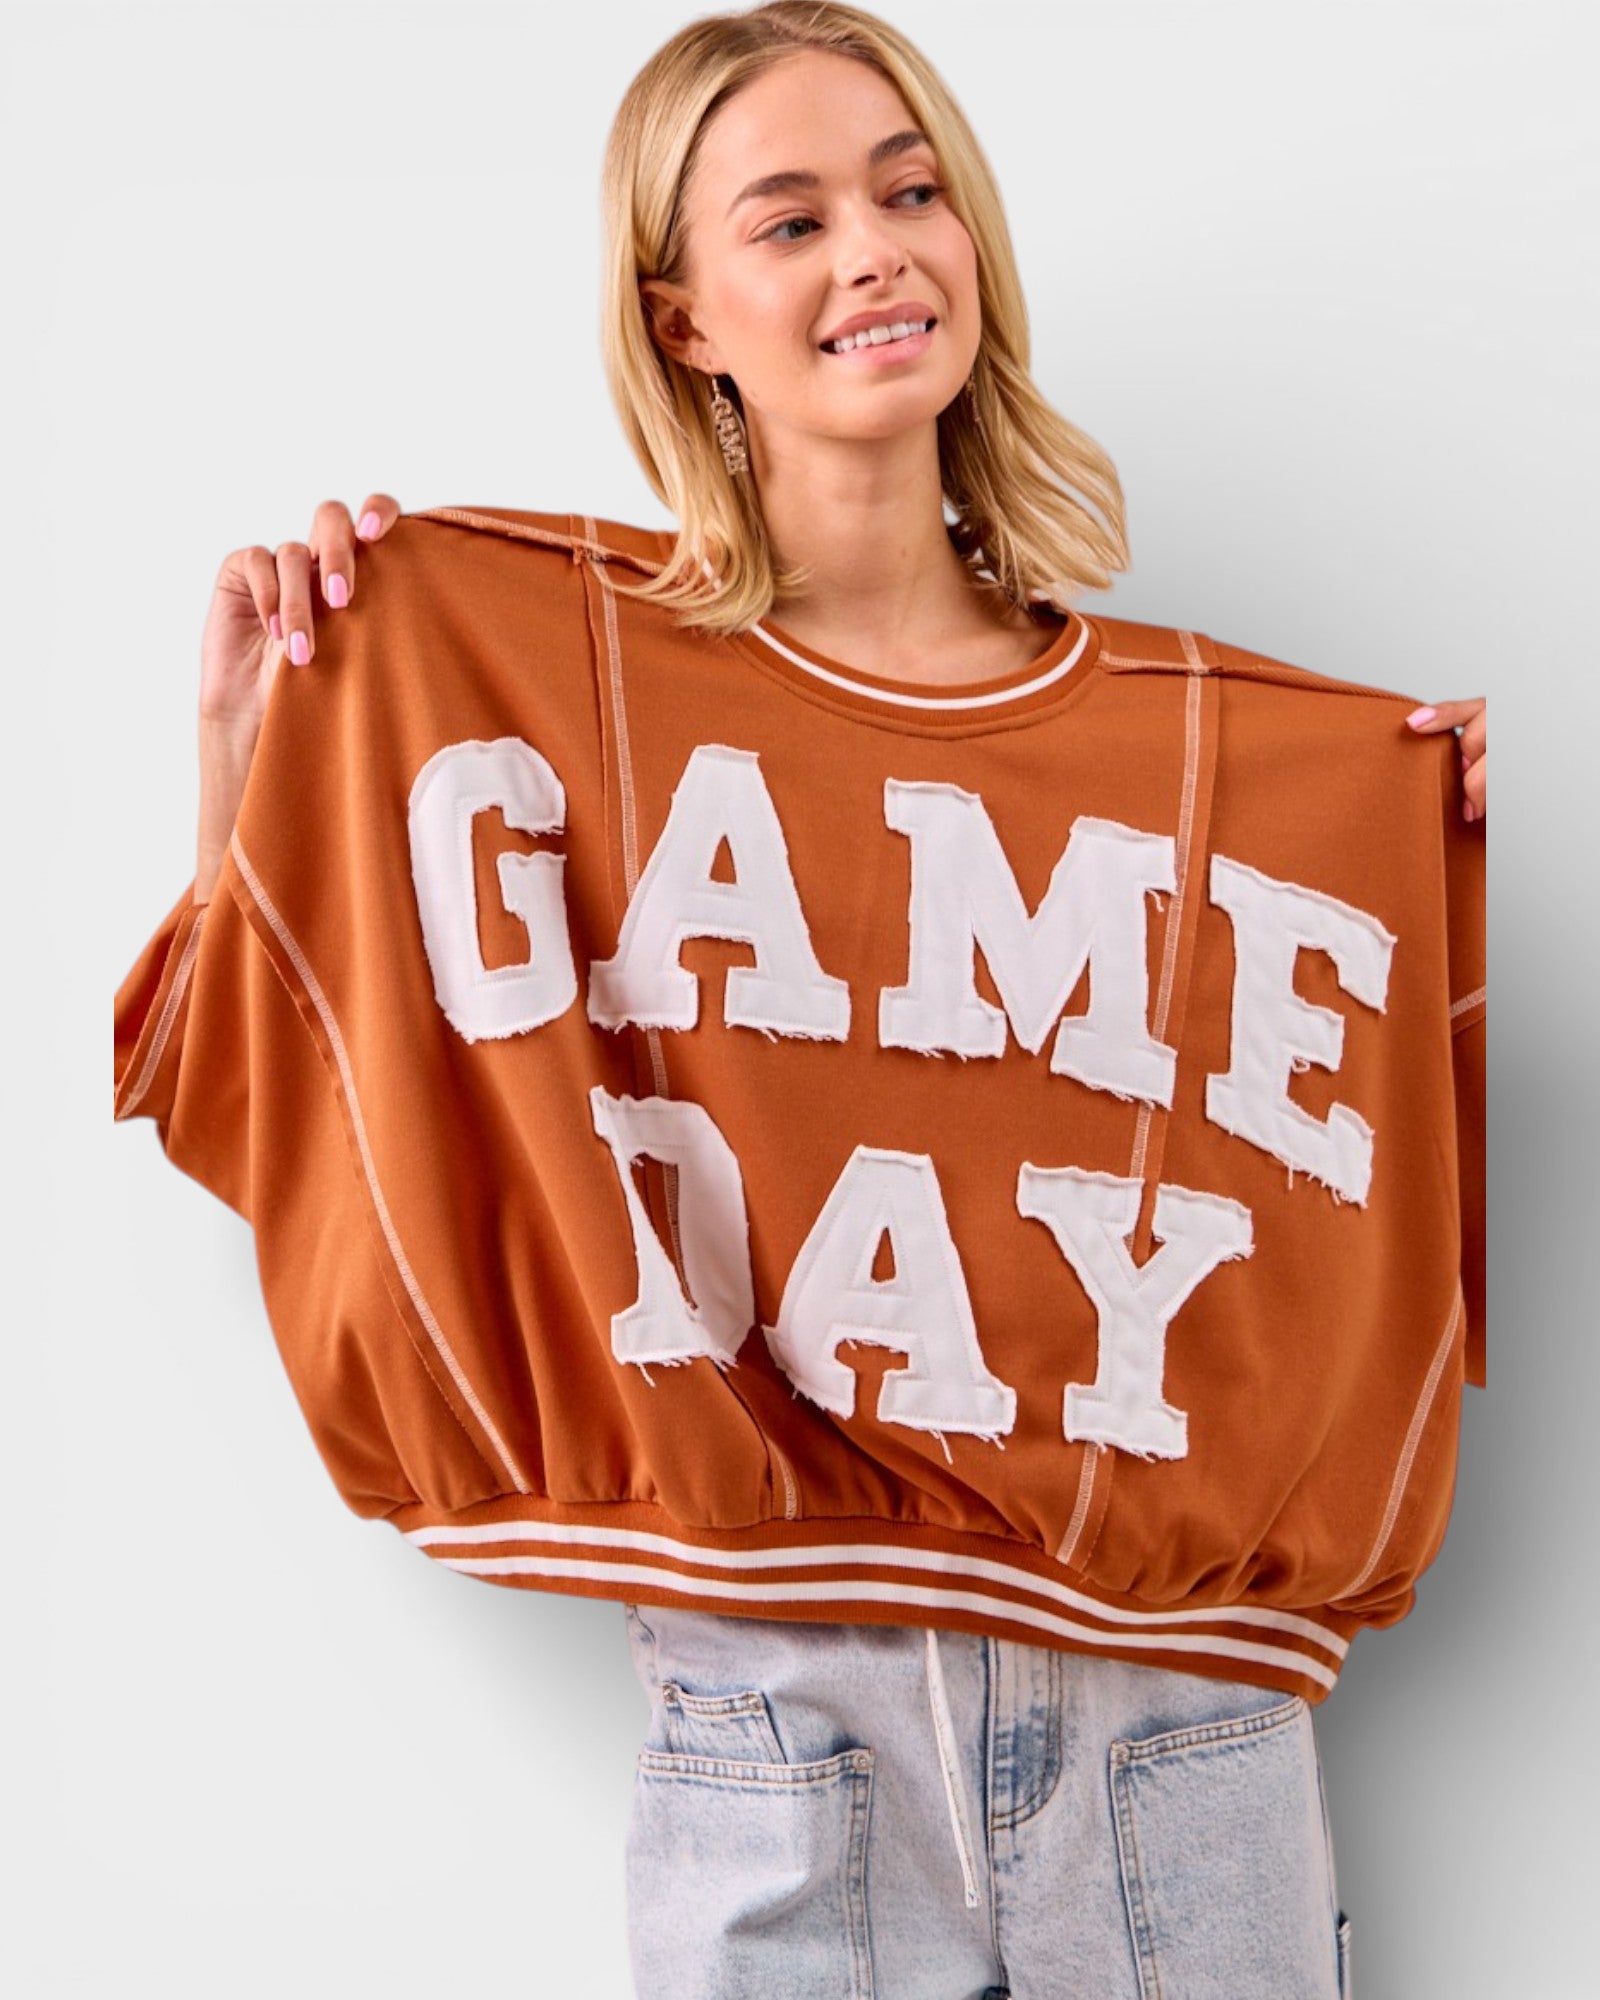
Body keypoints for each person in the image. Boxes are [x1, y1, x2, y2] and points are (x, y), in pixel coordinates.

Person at [116, 6, 1488, 1996]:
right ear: (684, 319)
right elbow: (252, 1093)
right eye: (790, 217)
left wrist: (1405, 844)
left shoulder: (1228, 770)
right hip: (772, 1734)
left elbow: (1386, 1248)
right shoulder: (539, 691)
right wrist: (255, 770)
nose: (873, 249)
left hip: (1181, 1739)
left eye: (909, 189)